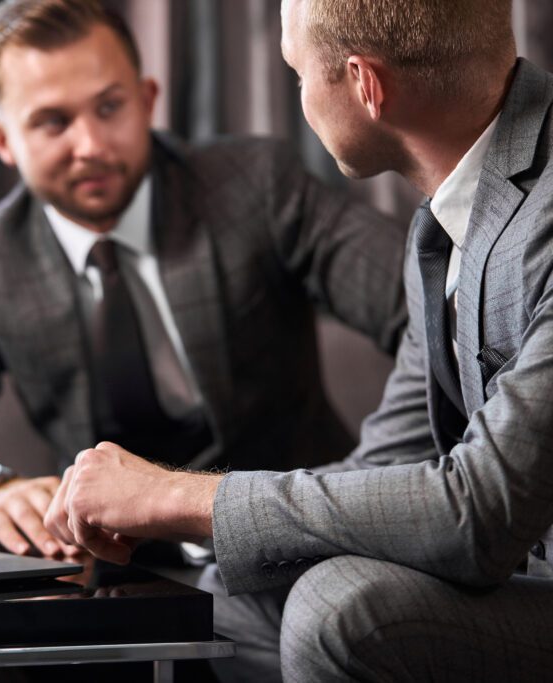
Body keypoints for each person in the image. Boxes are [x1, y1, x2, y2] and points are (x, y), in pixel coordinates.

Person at [46, 0, 553, 680]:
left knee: (340, 610)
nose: (300, 94)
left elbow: (479, 511)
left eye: (297, 72)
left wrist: (177, 496)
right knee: (214, 597)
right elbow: (384, 466)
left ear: (365, 85)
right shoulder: (444, 223)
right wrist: (170, 522)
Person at [0, 0, 406, 568]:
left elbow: (424, 304)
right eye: (54, 122)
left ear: (147, 100)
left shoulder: (256, 186)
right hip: (107, 566)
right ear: (3, 142)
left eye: (109, 107)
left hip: (280, 542)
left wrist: (379, 470)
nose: (92, 146)